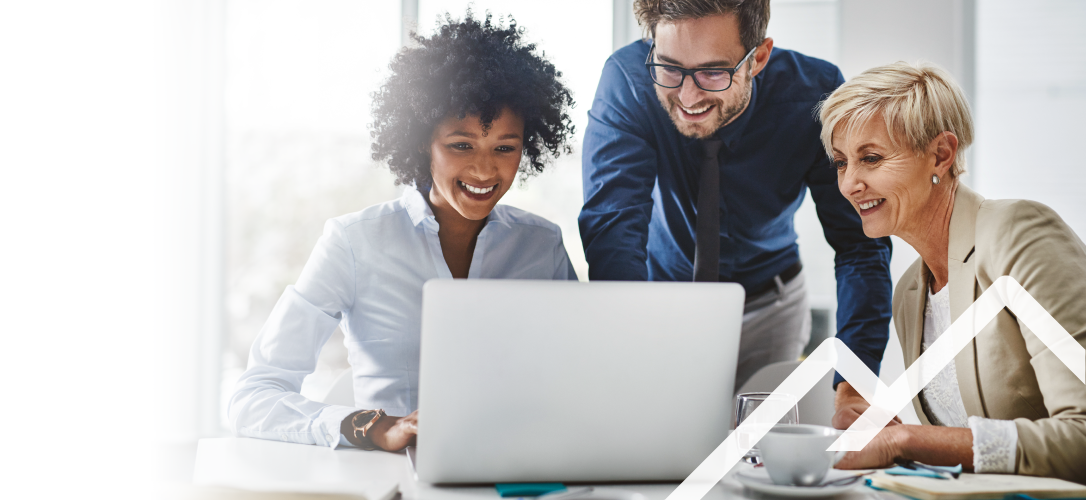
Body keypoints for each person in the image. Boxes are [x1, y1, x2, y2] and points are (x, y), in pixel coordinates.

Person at [228, 13, 577, 452]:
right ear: (420, 141)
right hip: (393, 476)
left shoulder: (542, 246)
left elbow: (581, 379)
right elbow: (253, 398)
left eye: (505, 148)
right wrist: (373, 427)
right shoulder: (354, 242)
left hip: (518, 467)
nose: (485, 169)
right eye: (461, 145)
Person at [578, 0, 893, 396]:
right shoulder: (628, 80)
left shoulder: (815, 95)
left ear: (757, 58)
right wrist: (626, 343)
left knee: (760, 434)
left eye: (713, 72)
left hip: (771, 307)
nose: (688, 97)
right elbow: (614, 228)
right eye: (670, 68)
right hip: (660, 303)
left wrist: (855, 380)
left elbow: (859, 245)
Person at [823, 62, 1086, 482]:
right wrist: (888, 434)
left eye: (871, 159)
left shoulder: (1019, 234)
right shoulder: (910, 293)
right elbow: (957, 450)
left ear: (941, 154)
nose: (849, 184)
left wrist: (907, 440)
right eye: (841, 163)